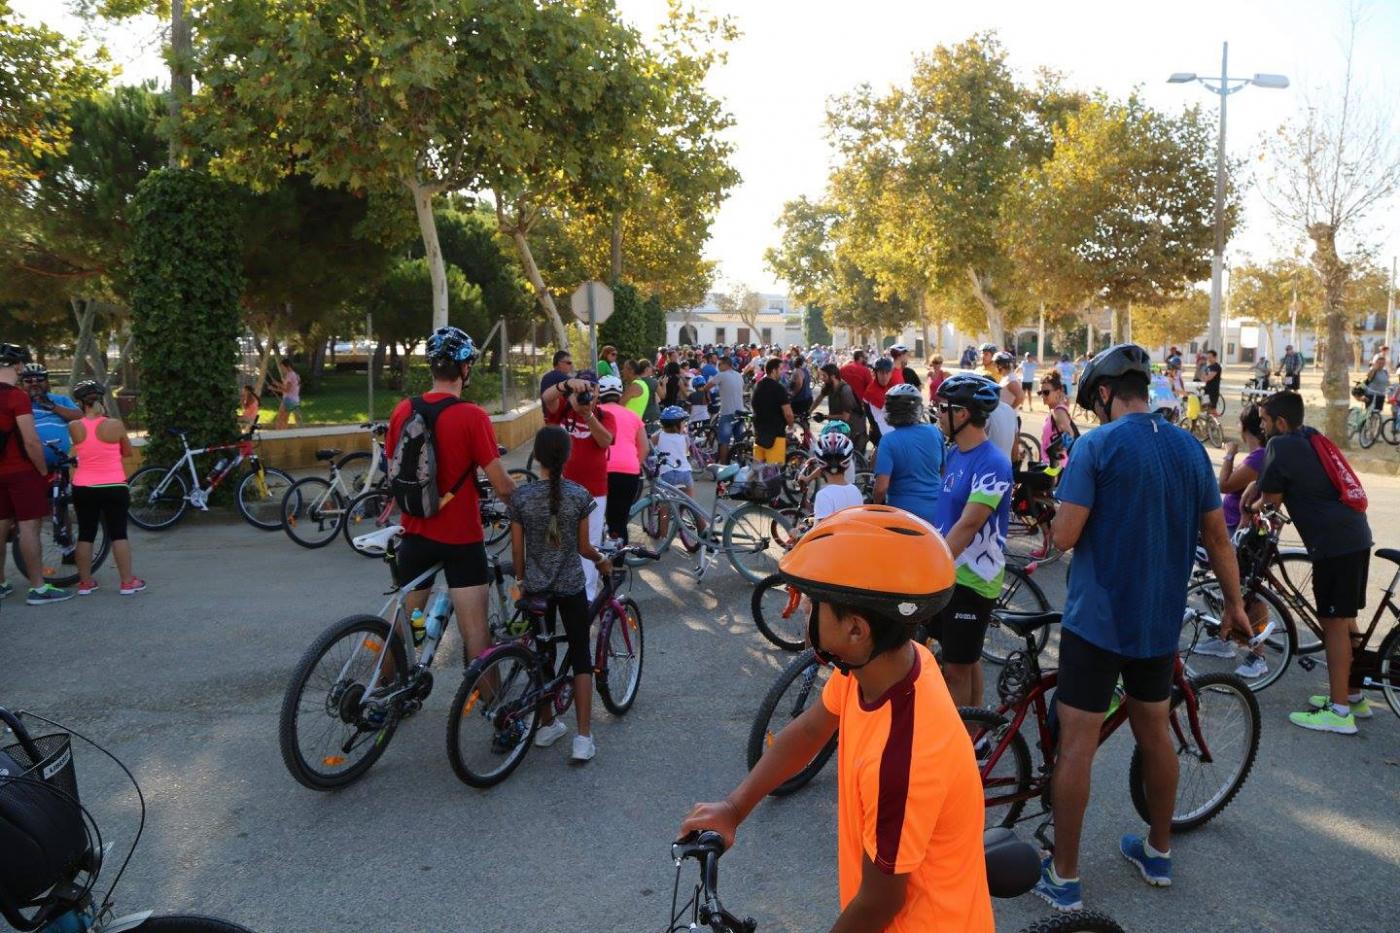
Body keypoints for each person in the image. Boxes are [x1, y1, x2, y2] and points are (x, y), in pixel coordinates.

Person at [678, 506, 993, 933]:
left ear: (857, 630)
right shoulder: (886, 666)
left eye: (814, 606)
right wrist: (734, 808)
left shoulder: (904, 757)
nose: (805, 615)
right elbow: (810, 730)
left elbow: (879, 903)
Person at [1035, 343, 1249, 911]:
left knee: (1077, 745)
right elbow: (1218, 538)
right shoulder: (1188, 447)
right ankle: (1157, 852)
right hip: (1158, 622)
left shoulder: (1096, 445)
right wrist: (1235, 606)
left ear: (1104, 394)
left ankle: (1065, 877)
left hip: (1097, 622)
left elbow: (1067, 536)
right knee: (1155, 731)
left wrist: (1053, 513)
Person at [385, 327, 517, 668]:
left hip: (415, 532)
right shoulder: (472, 416)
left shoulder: (403, 410)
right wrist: (528, 507)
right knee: (476, 636)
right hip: (461, 538)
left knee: (401, 629)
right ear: (465, 368)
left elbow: (394, 467)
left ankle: (378, 700)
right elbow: (501, 484)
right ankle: (495, 707)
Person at [1247, 391, 1374, 733]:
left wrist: (1251, 508)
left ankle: (1339, 713)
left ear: (1281, 422)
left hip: (1333, 545)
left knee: (1333, 624)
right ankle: (1353, 694)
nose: (1261, 426)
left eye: (1264, 420)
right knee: (1346, 620)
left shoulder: (1280, 445)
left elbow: (1271, 501)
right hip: (1355, 535)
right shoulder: (1310, 436)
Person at [509, 425, 612, 763]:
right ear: (568, 456)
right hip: (570, 587)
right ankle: (583, 737)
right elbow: (583, 548)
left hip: (537, 590)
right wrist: (601, 560)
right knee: (581, 656)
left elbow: (518, 554)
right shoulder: (579, 495)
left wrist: (523, 580)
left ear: (536, 456)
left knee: (542, 656)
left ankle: (548, 724)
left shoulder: (521, 498)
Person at [930, 374, 1011, 708]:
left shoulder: (993, 462)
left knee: (955, 671)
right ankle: (977, 735)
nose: (936, 414)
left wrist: (932, 564)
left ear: (962, 414)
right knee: (965, 657)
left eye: (941, 408)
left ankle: (961, 745)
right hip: (952, 571)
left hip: (973, 578)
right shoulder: (955, 453)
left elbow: (969, 522)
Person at [1191, 403, 1272, 680]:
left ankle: (1257, 654)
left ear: (1244, 427)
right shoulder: (1259, 456)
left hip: (1239, 532)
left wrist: (1228, 455)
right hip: (1232, 529)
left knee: (1245, 592)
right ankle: (1223, 637)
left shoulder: (1257, 457)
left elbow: (1224, 485)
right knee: (1221, 584)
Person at [0, 344, 71, 604]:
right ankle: (38, 588)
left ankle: (1, 584)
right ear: (17, 366)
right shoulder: (16, 397)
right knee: (30, 528)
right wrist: (42, 471)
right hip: (20, 472)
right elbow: (30, 441)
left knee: (1, 524)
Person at [68, 380, 142, 596]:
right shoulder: (115, 424)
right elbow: (126, 452)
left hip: (83, 485)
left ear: (80, 403)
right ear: (100, 399)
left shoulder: (74, 426)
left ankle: (85, 583)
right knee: (119, 533)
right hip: (113, 484)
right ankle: (127, 583)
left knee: (86, 533)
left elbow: (82, 450)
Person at [548, 371, 615, 601]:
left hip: (595, 491)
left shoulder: (605, 416)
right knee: (559, 541)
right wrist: (566, 385)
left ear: (598, 392)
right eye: (583, 390)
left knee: (591, 543)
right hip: (563, 489)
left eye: (592, 390)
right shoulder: (563, 411)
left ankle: (586, 597)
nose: (588, 394)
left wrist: (588, 416)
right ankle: (560, 590)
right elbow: (546, 397)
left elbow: (605, 440)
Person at [871, 383, 944, 527]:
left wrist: (876, 506)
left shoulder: (888, 441)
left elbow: (881, 488)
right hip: (937, 511)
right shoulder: (934, 432)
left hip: (903, 515)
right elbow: (943, 472)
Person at [598, 375, 646, 545]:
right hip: (628, 472)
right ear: (619, 394)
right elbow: (644, 448)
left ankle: (598, 563)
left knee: (595, 520)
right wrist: (635, 466)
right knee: (619, 521)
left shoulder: (593, 413)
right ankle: (617, 566)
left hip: (599, 471)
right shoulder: (633, 416)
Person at [20, 364, 81, 469]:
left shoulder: (61, 400)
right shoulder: (17, 402)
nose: (34, 384)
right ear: (21, 384)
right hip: (29, 466)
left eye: (39, 379)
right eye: (28, 381)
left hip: (64, 463)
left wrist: (53, 406)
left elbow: (80, 417)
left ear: (47, 382)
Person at [816, 363, 868, 461]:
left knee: (851, 460)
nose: (822, 378)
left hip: (854, 429)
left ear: (833, 376)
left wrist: (825, 417)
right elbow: (819, 397)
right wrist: (809, 411)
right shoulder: (829, 386)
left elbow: (845, 417)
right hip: (842, 428)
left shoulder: (845, 390)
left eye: (824, 376)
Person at [810, 432, 863, 520]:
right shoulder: (856, 491)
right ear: (848, 465)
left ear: (820, 464)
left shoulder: (823, 495)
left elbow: (821, 531)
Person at [750, 358, 793, 465]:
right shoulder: (779, 388)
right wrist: (791, 426)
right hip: (775, 436)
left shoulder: (757, 386)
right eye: (781, 369)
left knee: (758, 472)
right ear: (774, 371)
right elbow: (788, 413)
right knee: (773, 475)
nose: (782, 372)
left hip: (759, 434)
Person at [707, 355, 746, 465]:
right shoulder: (739, 375)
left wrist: (701, 389)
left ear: (726, 364)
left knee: (724, 441)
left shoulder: (721, 375)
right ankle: (741, 463)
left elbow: (707, 387)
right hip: (740, 412)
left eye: (719, 365)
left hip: (727, 412)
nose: (718, 367)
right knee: (739, 441)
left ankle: (724, 466)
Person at [1038, 371, 1078, 470]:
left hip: (1058, 469)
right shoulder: (1055, 410)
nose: (1042, 396)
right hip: (1053, 467)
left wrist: (1054, 453)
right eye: (1040, 393)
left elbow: (1069, 435)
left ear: (1058, 392)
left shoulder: (1058, 411)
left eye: (1046, 392)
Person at [270, 358, 301, 429]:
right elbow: (290, 387)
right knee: (284, 419)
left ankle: (279, 435)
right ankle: (283, 435)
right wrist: (277, 383)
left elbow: (287, 390)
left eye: (282, 367)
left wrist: (273, 388)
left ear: (287, 366)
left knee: (280, 419)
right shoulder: (295, 375)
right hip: (294, 400)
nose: (282, 369)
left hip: (288, 400)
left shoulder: (290, 375)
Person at [1363, 345, 1389, 413]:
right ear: (1376, 363)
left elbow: (1387, 382)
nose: (1381, 364)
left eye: (1383, 363)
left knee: (1377, 413)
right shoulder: (1373, 371)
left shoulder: (1385, 372)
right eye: (1379, 363)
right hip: (1371, 395)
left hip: (1381, 395)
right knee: (1369, 413)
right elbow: (1367, 381)